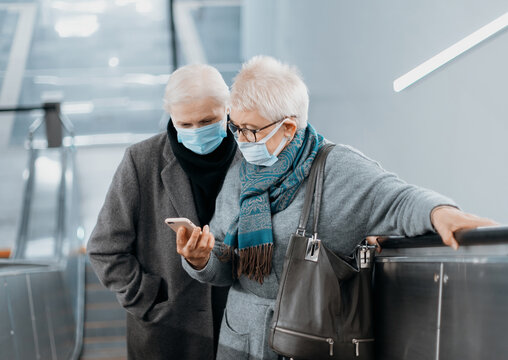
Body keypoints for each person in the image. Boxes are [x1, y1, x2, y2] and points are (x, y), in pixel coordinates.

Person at [176, 56, 498, 360]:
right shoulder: (239, 175)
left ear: (288, 127)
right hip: (241, 340)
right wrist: (201, 258)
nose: (242, 141)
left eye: (251, 130)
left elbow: (398, 199)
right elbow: (225, 266)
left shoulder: (337, 168)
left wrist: (441, 212)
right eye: (236, 127)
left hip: (311, 340)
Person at [88, 64, 241, 359]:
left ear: (229, 108)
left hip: (238, 329)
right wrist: (149, 297)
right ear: (170, 114)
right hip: (167, 332)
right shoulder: (141, 161)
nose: (197, 132)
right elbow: (104, 248)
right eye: (185, 124)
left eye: (208, 120)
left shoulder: (249, 157)